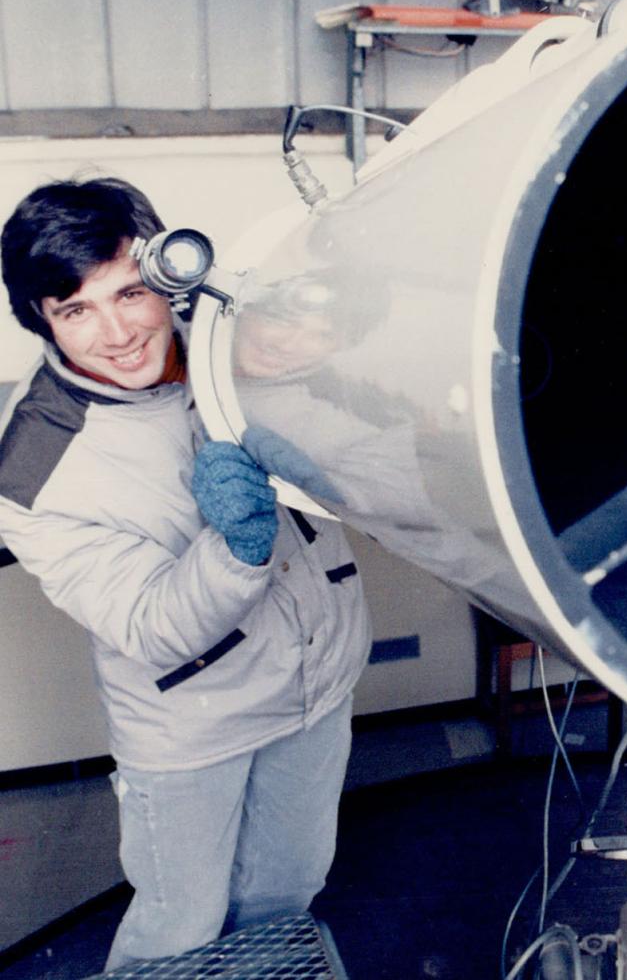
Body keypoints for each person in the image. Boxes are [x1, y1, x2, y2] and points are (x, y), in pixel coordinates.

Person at [0, 178, 372, 969]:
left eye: (131, 292)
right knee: (181, 926)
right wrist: (234, 544)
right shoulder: (34, 471)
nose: (120, 332)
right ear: (41, 321)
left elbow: (356, 435)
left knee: (286, 895)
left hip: (317, 686)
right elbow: (149, 624)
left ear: (168, 274)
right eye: (77, 311)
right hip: (191, 729)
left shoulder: (234, 346)